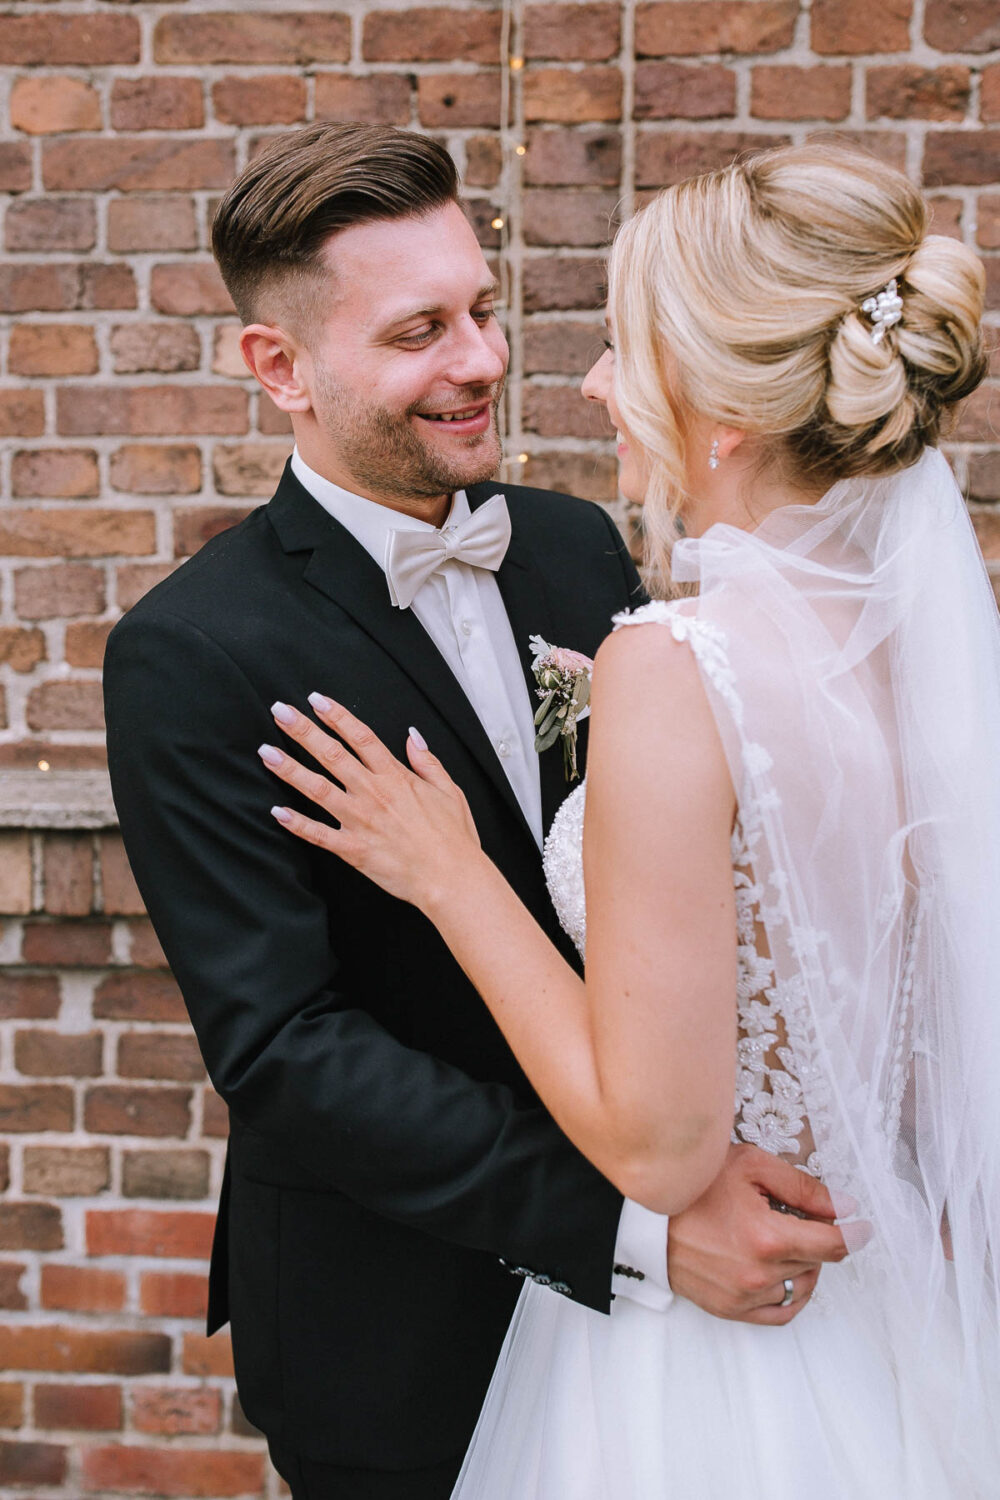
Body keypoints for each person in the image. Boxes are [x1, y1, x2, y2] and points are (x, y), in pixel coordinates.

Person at [104, 124, 849, 1500]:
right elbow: (287, 1049)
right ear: (281, 367)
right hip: (398, 1323)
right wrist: (634, 1226)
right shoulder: (192, 652)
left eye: (484, 311)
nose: (484, 360)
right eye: (420, 332)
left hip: (681, 1308)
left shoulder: (575, 545)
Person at [260, 143, 1000, 1497]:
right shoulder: (922, 655)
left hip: (707, 1373)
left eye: (623, 347)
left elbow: (661, 1146)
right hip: (885, 1323)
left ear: (721, 413)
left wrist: (455, 877)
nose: (594, 383)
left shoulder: (675, 662)